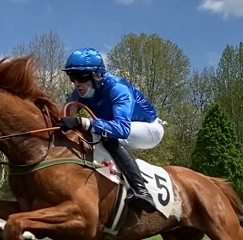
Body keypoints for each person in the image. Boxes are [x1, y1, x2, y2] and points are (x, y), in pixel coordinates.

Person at [56, 47, 165, 213]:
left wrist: (83, 121)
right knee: (87, 135)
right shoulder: (77, 94)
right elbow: (64, 119)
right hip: (119, 128)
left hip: (149, 129)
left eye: (81, 77)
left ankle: (142, 192)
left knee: (106, 136)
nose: (76, 83)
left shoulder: (118, 87)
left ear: (97, 75)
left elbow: (122, 129)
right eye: (72, 77)